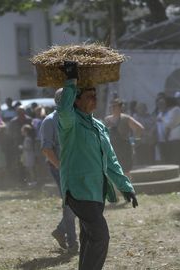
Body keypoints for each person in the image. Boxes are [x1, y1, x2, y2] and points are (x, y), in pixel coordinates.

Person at [57, 61, 138, 270]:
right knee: (101, 236)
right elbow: (63, 110)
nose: (95, 99)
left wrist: (125, 186)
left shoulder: (99, 125)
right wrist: (70, 81)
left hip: (96, 191)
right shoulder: (70, 122)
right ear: (76, 101)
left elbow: (110, 160)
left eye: (95, 95)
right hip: (78, 189)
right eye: (89, 96)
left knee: (89, 238)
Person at [40, 89, 78, 251]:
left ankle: (61, 231)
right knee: (70, 203)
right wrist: (61, 168)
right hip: (60, 167)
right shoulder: (49, 121)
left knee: (79, 202)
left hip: (76, 167)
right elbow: (46, 149)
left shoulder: (76, 118)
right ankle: (72, 243)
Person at [104, 98, 144, 176]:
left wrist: (136, 140)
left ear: (120, 107)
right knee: (113, 170)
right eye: (112, 106)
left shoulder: (126, 118)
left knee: (125, 170)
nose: (113, 108)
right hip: (112, 148)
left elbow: (139, 128)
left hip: (124, 147)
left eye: (115, 106)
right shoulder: (107, 119)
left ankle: (128, 187)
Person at [160, 96, 180, 173]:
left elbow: (169, 124)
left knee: (178, 157)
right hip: (175, 138)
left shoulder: (175, 110)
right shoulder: (174, 110)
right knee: (176, 157)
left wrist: (162, 119)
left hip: (177, 138)